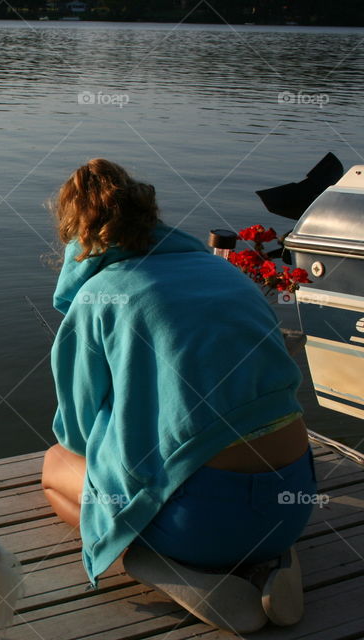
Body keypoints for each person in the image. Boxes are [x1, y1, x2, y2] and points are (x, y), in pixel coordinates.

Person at [40, 159, 317, 634]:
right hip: (294, 503)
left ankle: (162, 562)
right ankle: (271, 559)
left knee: (53, 467)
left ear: (76, 235)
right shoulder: (225, 273)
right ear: (151, 216)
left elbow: (76, 433)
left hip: (198, 525)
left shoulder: (99, 296)